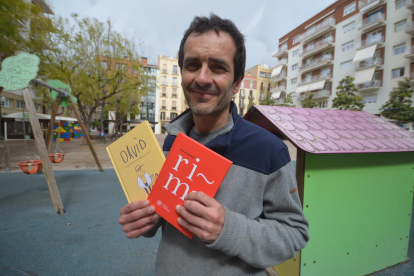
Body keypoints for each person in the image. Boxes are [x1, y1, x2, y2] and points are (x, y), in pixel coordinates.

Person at [118, 14, 309, 276]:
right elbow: (164, 214)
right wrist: (146, 220)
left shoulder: (269, 149)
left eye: (218, 67)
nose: (202, 78)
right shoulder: (171, 141)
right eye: (193, 65)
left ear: (237, 83)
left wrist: (228, 229)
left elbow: (294, 234)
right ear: (182, 72)